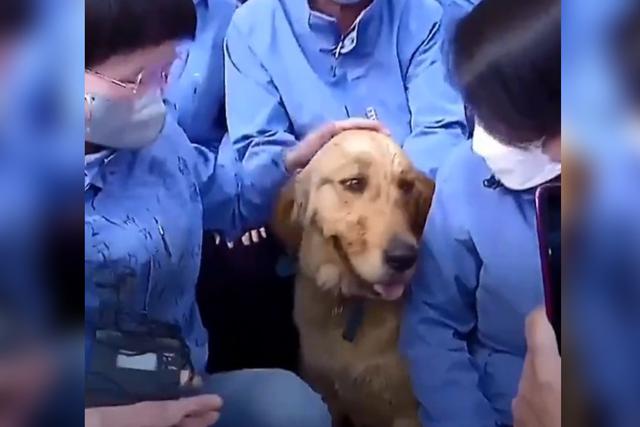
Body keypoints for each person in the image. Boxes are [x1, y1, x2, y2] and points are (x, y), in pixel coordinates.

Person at [84, 0, 385, 425]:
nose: (156, 96)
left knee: (290, 409)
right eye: (136, 79)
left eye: (166, 72)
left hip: (183, 391)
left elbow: (227, 195)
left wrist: (295, 160)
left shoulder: (154, 136)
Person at [400, 0, 560, 426]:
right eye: (479, 115)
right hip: (491, 399)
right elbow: (432, 321)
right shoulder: (465, 176)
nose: (486, 143)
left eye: (508, 127)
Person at [224, 0, 469, 181]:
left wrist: (391, 197)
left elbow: (439, 130)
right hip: (315, 222)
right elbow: (262, 156)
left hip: (415, 211)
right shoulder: (253, 27)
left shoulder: (421, 14)